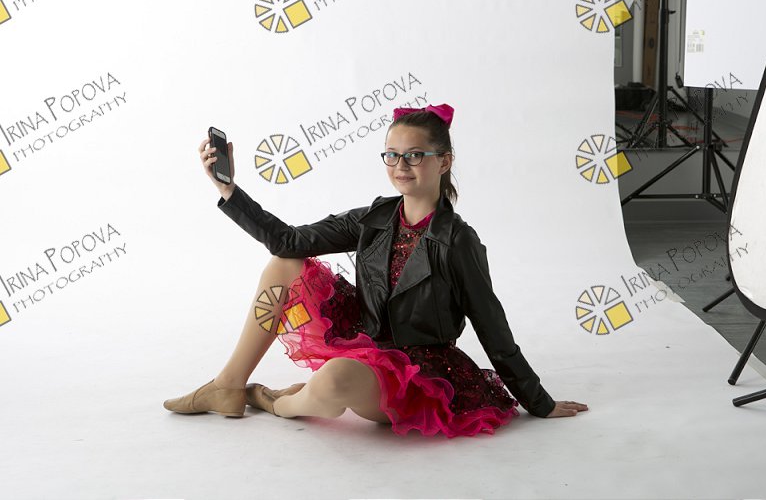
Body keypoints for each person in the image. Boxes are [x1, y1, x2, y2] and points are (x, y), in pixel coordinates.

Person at [163, 103, 589, 437]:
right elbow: (288, 241)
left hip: (416, 370)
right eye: (392, 155)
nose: (401, 165)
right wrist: (228, 189)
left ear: (444, 161)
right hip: (364, 338)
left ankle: (276, 403)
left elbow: (493, 327)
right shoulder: (375, 217)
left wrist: (539, 401)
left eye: (415, 155)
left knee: (334, 381)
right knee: (284, 263)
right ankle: (229, 385)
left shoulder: (458, 241)